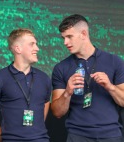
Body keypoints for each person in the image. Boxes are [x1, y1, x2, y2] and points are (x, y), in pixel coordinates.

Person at [51, 14, 124, 142]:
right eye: (63, 38)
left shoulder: (114, 61)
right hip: (77, 135)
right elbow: (57, 113)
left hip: (111, 135)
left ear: (84, 34)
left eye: (69, 37)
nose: (65, 42)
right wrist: (67, 92)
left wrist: (110, 87)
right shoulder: (60, 68)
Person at [0, 28, 52, 142]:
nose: (37, 48)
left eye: (36, 44)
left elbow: (42, 116)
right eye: (32, 44)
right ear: (18, 48)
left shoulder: (44, 79)